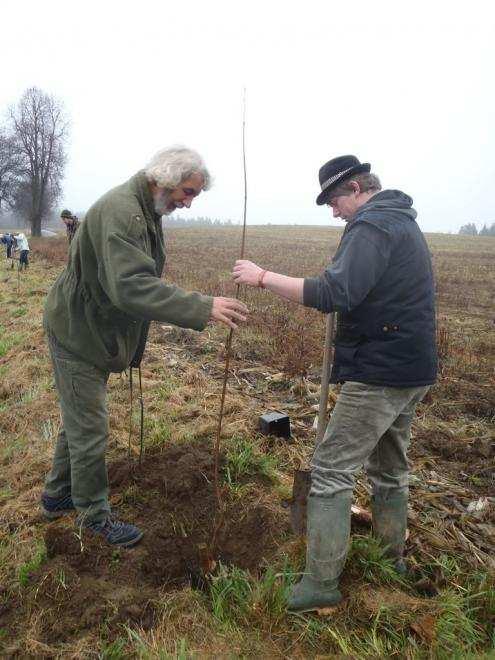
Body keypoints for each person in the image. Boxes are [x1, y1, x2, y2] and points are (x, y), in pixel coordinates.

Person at [233, 155, 437, 613]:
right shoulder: (400, 221)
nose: (333, 210)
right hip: (412, 369)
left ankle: (321, 584)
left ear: (358, 187)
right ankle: (392, 561)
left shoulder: (372, 226)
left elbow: (332, 294)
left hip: (380, 373)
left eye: (334, 199)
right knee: (389, 469)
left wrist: (263, 277)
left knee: (329, 472)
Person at [42, 146, 248, 548]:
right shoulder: (125, 212)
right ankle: (93, 516)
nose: (187, 203)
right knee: (91, 428)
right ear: (166, 179)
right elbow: (132, 286)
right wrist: (202, 306)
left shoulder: (145, 207)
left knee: (80, 418)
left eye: (195, 196)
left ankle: (56, 495)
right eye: (187, 192)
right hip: (77, 332)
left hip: (91, 329)